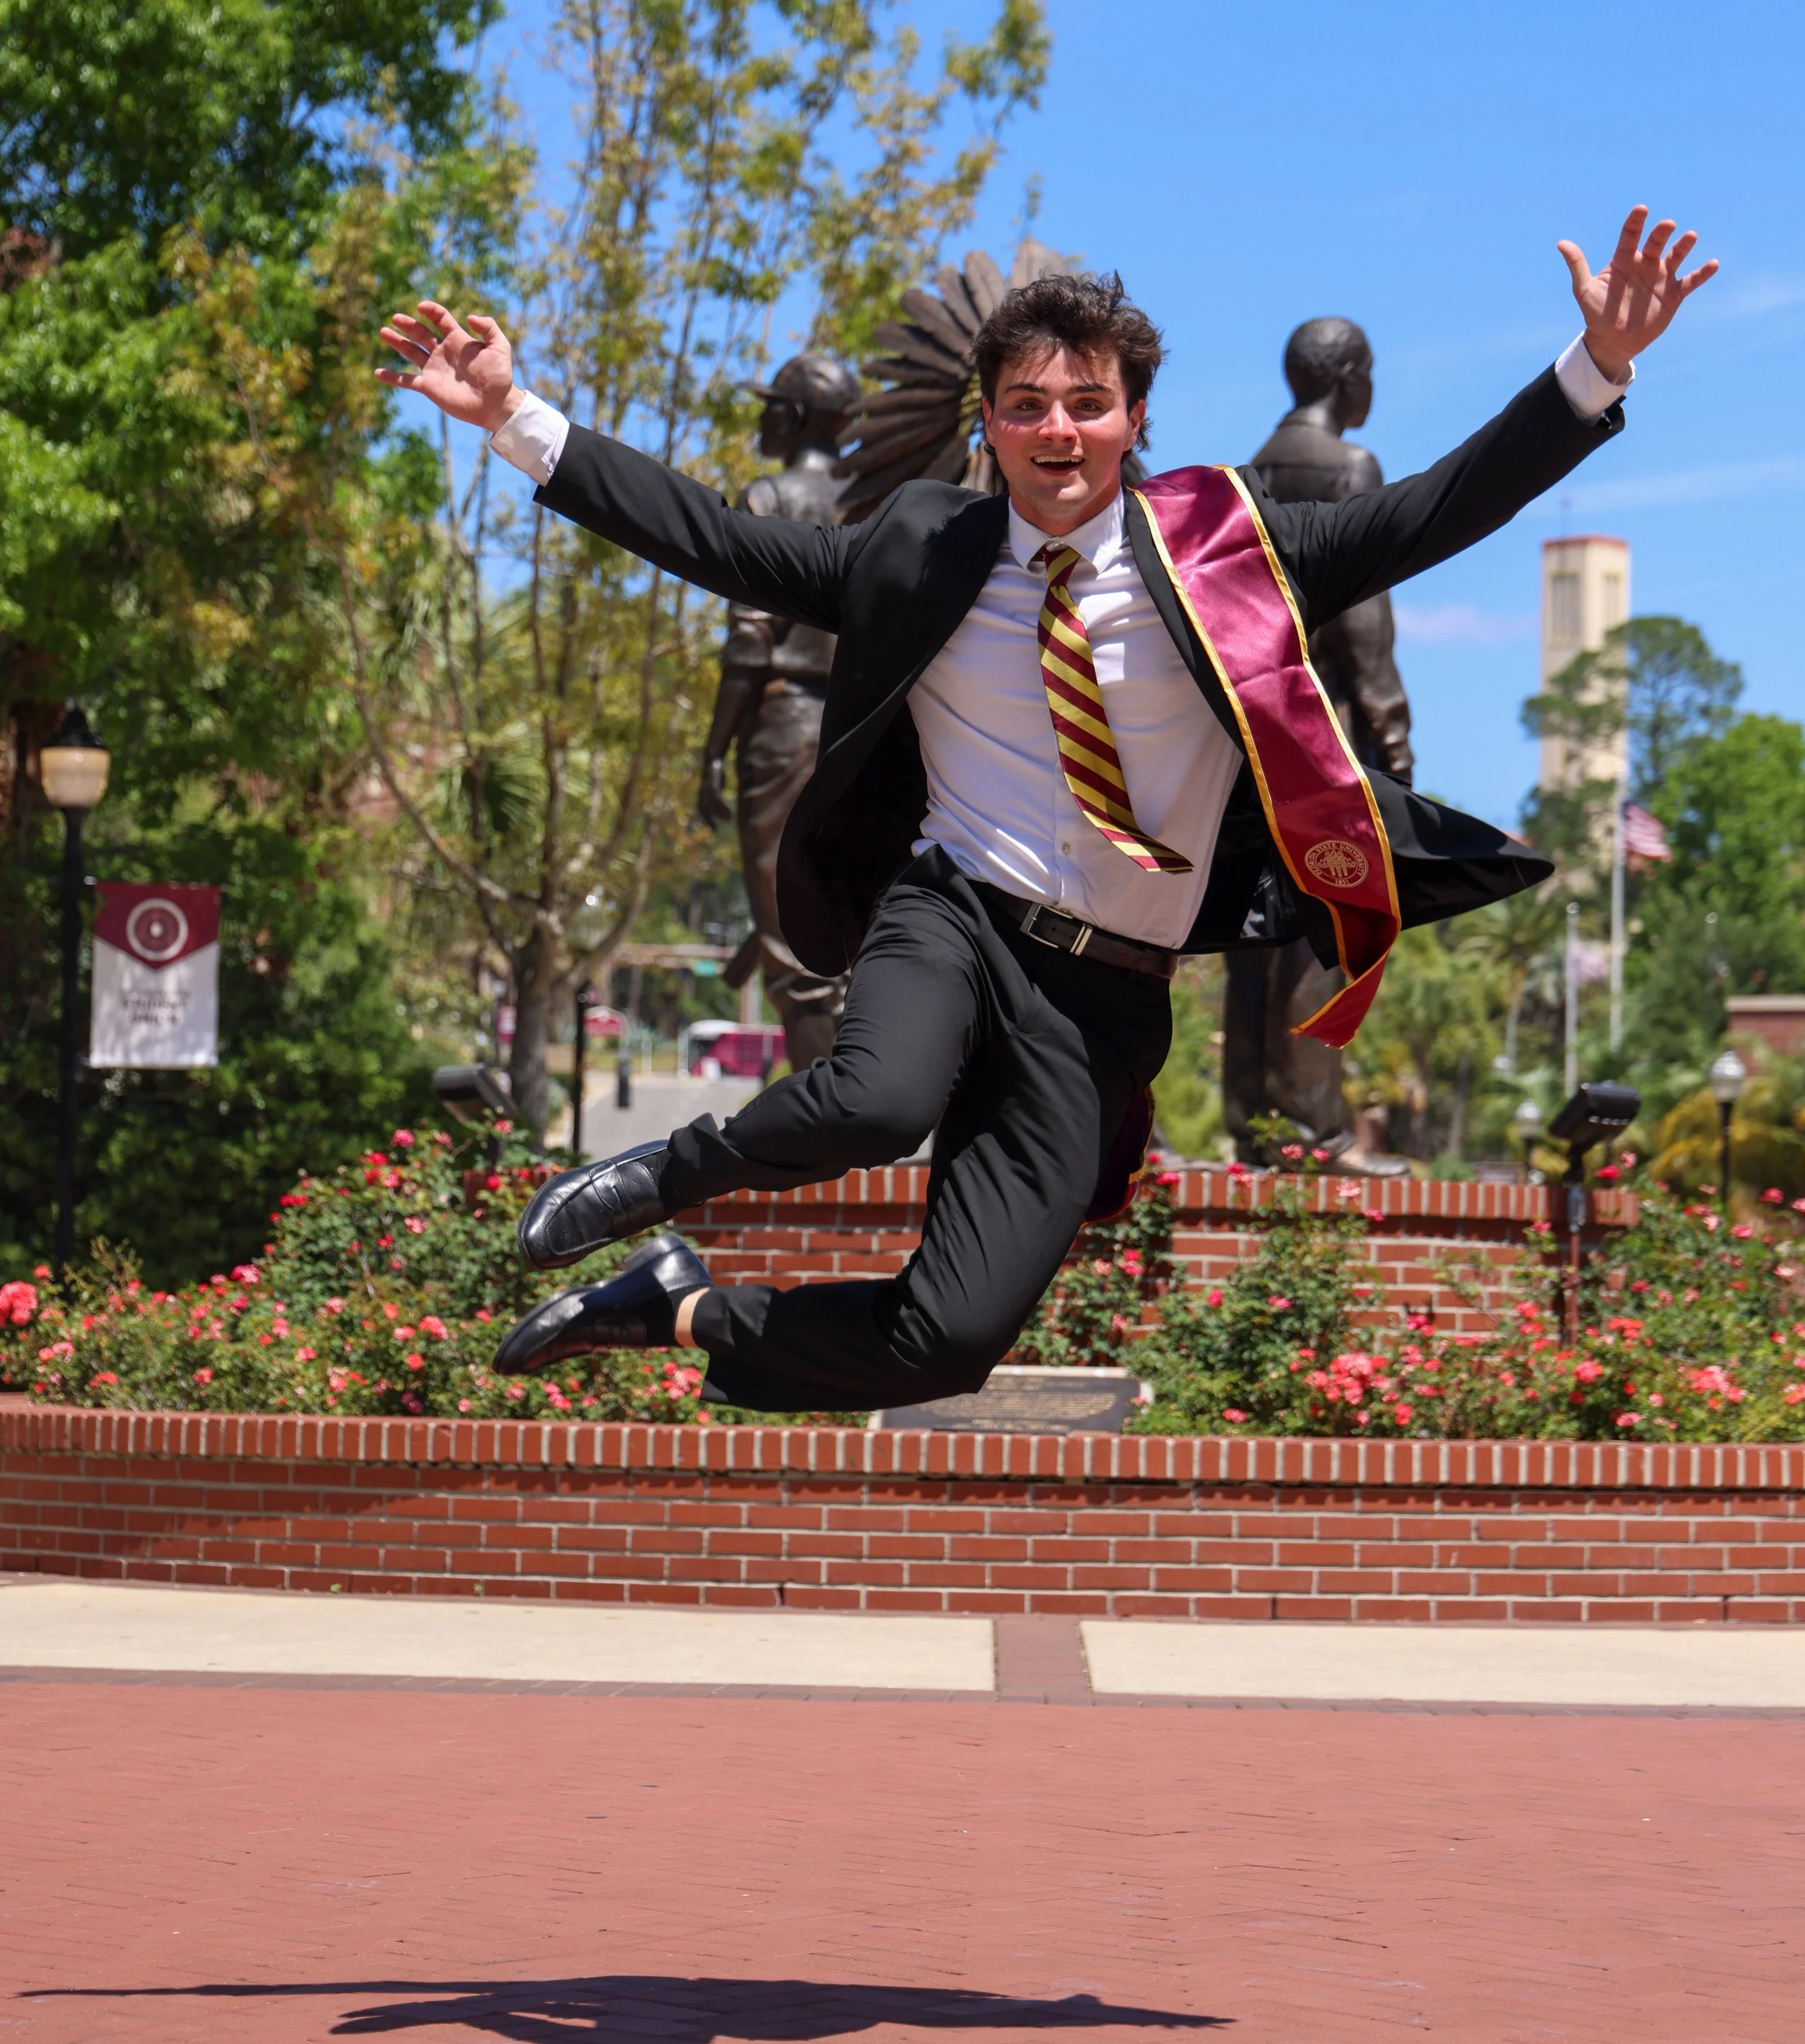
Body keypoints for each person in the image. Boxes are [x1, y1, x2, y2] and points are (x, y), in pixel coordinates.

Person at [374, 208, 1715, 1412]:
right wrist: (514, 415)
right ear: (989, 423)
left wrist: (1593, 369)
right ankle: (662, 1176)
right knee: (877, 1098)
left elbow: (1442, 507)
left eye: (1087, 401)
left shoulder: (1235, 552)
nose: (1057, 429)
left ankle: (671, 1305)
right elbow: (719, 537)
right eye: (1026, 405)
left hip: (1104, 997)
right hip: (956, 915)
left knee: (945, 1341)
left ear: (1135, 418)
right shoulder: (921, 550)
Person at [1223, 313, 1412, 1158]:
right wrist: (1393, 742)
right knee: (1322, 924)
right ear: (1347, 377)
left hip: (1248, 732)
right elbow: (1365, 625)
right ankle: (1309, 1129)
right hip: (1323, 728)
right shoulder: (1351, 468)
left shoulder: (1243, 477)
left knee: (1250, 933)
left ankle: (1252, 1126)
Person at [695, 352, 860, 1070]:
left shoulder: (768, 496)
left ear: (794, 415)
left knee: (791, 942)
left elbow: (749, 642)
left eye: (770, 405)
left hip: (784, 726)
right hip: (864, 729)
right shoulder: (879, 498)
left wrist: (713, 751)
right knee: (854, 931)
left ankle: (833, 1117)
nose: (762, 418)